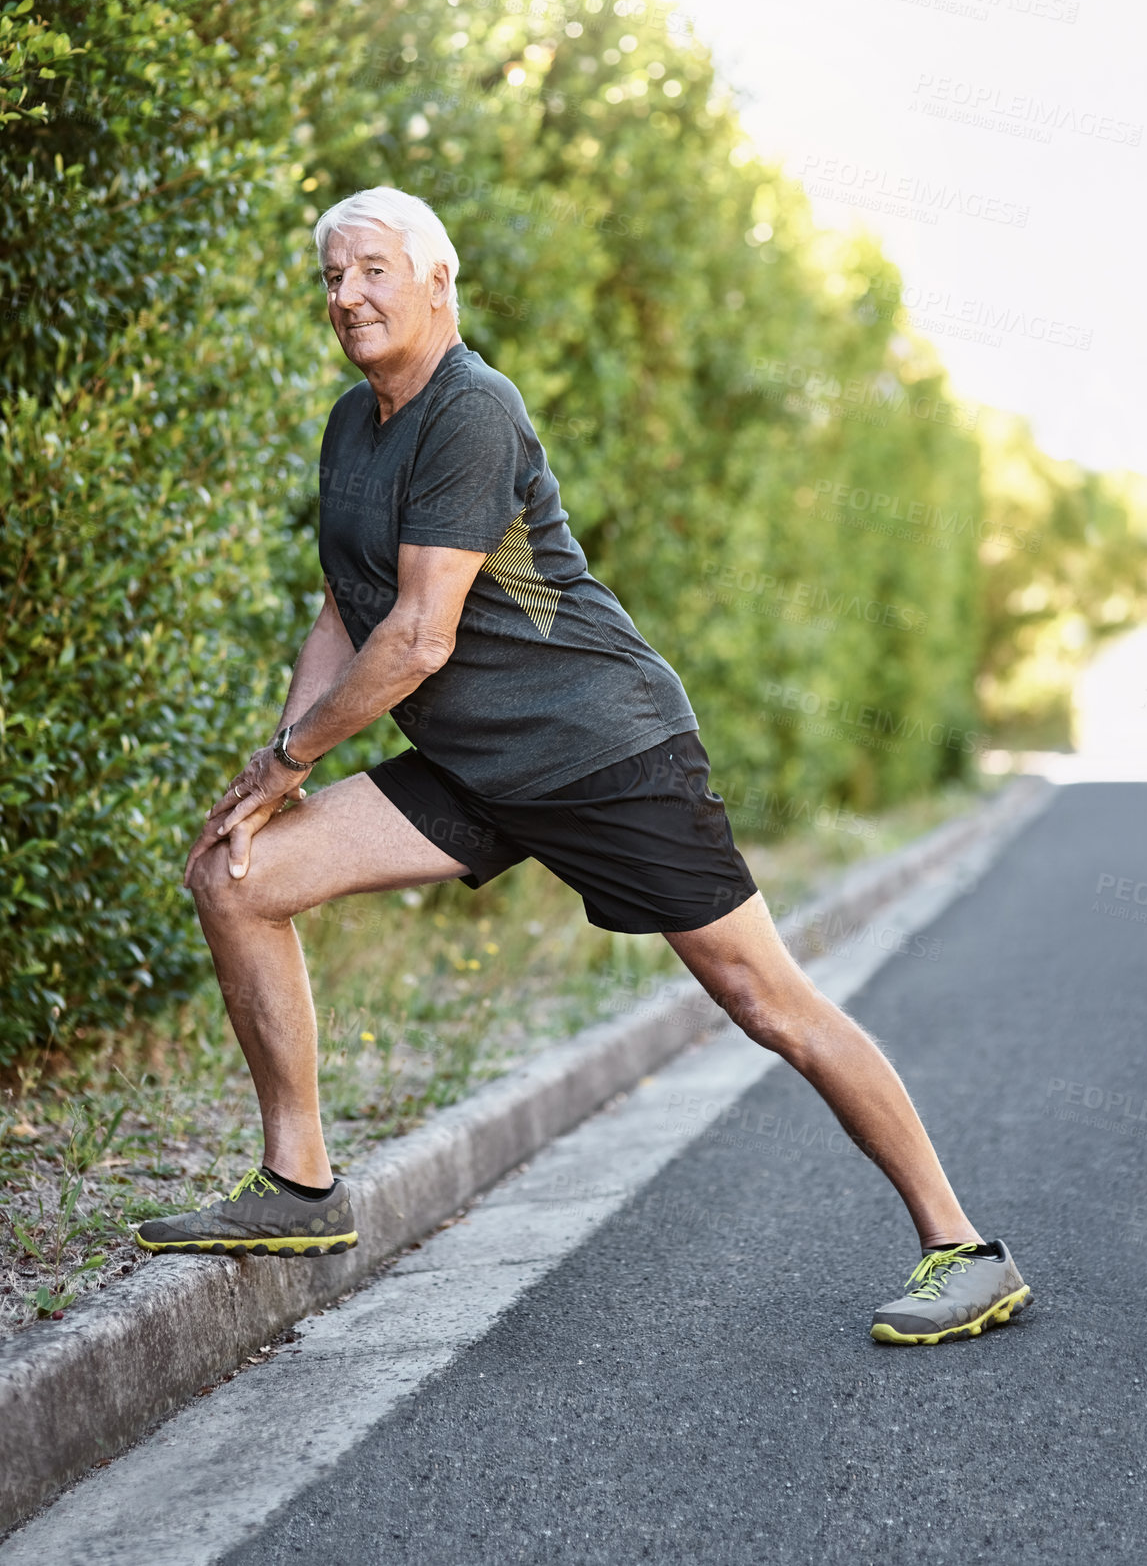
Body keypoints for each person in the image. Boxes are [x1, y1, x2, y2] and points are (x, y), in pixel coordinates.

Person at [138, 187, 1031, 1344]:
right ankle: (301, 1183)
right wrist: (281, 775)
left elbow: (417, 634)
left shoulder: (473, 409)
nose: (347, 295)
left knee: (765, 997)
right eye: (331, 277)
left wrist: (285, 756)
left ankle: (963, 1246)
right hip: (475, 765)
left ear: (435, 280)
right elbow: (341, 609)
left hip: (602, 746)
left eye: (370, 270)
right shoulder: (352, 426)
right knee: (235, 875)